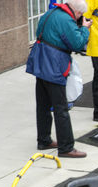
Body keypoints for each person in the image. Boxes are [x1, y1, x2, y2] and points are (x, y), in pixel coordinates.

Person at [26, 0, 91, 158]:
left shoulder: (50, 13)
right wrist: (84, 29)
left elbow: (40, 33)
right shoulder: (66, 20)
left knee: (43, 105)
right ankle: (66, 147)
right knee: (61, 107)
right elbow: (77, 44)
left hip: (40, 62)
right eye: (80, 15)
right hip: (54, 66)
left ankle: (44, 140)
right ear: (77, 12)